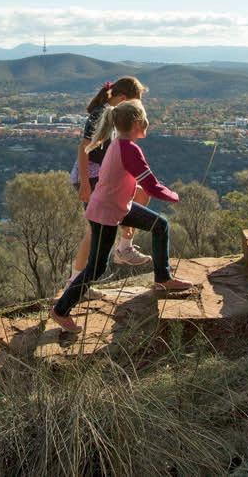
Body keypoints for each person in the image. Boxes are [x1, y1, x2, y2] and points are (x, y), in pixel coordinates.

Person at [50, 100, 195, 333]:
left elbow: (128, 180)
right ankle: (60, 310)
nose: (147, 122)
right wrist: (175, 196)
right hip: (106, 213)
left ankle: (163, 278)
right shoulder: (128, 148)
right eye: (145, 118)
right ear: (137, 123)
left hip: (115, 207)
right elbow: (151, 185)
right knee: (96, 267)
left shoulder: (119, 143)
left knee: (160, 225)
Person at [68, 77, 152, 292]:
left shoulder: (115, 114)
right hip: (91, 176)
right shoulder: (101, 114)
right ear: (122, 98)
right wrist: (85, 184)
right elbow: (84, 149)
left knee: (142, 194)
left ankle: (123, 248)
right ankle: (75, 284)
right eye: (134, 103)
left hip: (105, 176)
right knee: (93, 231)